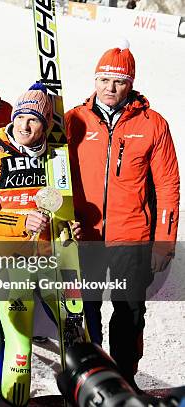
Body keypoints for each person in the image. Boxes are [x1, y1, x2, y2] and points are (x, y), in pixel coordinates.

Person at [65, 43, 179, 389]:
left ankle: (125, 378)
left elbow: (168, 185)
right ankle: (88, 378)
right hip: (85, 234)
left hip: (133, 235)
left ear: (130, 84)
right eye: (104, 80)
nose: (110, 89)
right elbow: (58, 176)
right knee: (86, 310)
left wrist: (164, 243)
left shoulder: (152, 124)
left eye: (118, 82)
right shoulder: (74, 120)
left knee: (129, 312)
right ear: (94, 79)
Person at [0, 83, 82, 407]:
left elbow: (61, 211)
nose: (24, 125)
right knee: (20, 346)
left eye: (34, 120)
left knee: (76, 334)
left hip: (50, 261)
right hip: (11, 266)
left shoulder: (55, 161)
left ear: (46, 126)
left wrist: (68, 228)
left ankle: (81, 397)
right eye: (21, 117)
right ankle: (12, 404)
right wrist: (21, 222)